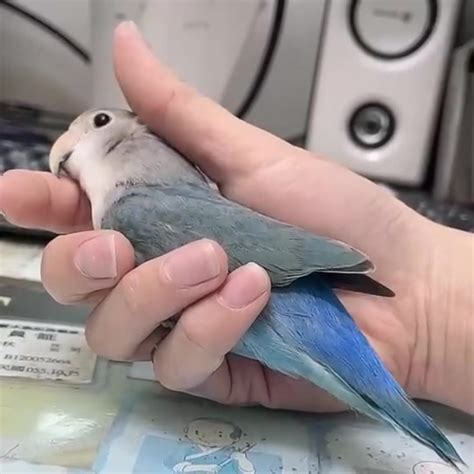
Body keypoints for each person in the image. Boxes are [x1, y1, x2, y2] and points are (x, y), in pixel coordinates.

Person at [0, 22, 472, 416]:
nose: (71, 141)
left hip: (299, 303)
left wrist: (426, 302)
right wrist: (427, 316)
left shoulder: (135, 208)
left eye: (97, 122)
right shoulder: (138, 206)